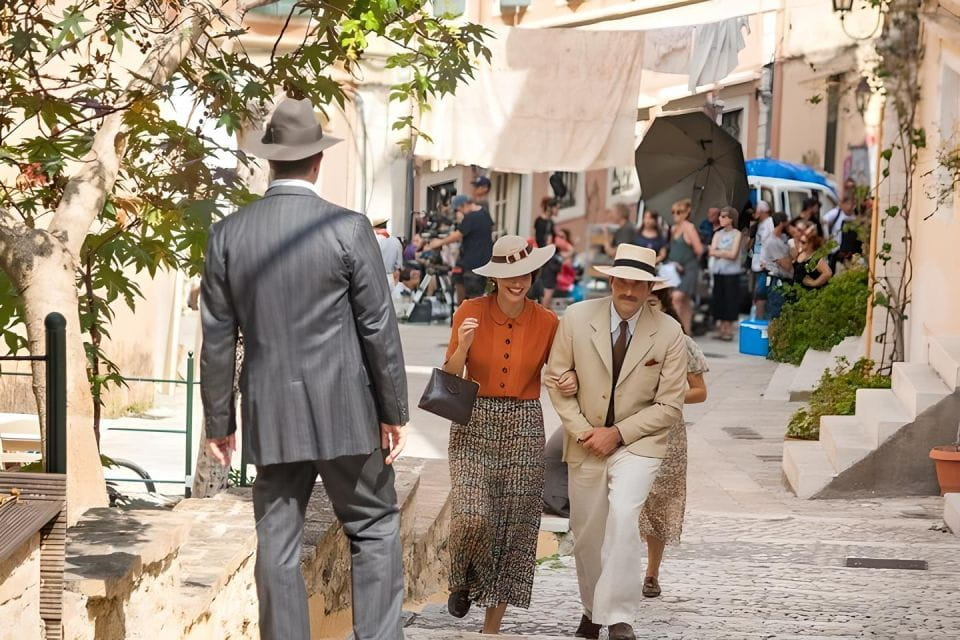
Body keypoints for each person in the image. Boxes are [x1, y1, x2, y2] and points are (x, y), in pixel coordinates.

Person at [200, 98, 408, 640]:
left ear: (272, 161)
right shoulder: (349, 227)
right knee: (374, 527)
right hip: (348, 411)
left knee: (278, 539)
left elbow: (217, 338)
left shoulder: (228, 234)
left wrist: (218, 422)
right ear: (317, 161)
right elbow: (378, 327)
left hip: (273, 412)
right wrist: (394, 412)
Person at [545, 244, 688, 640]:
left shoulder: (670, 332)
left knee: (624, 517)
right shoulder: (575, 318)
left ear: (650, 289)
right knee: (587, 533)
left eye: (638, 283)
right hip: (585, 440)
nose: (629, 289)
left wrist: (619, 433)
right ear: (610, 280)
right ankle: (592, 610)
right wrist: (582, 431)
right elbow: (555, 380)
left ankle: (621, 617)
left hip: (638, 444)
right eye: (623, 280)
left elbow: (670, 404)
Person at [443, 235, 577, 635]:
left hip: (523, 424)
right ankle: (463, 576)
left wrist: (567, 379)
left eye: (524, 274)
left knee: (514, 527)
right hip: (474, 419)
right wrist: (463, 348)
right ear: (495, 278)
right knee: (471, 515)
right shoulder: (469, 310)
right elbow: (449, 378)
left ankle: (491, 628)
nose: (517, 282)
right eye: (508, 276)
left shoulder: (548, 321)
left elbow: (558, 371)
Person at [638, 283, 708, 599]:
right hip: (627, 427)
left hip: (668, 430)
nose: (648, 309)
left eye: (653, 302)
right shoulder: (624, 339)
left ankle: (652, 573)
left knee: (660, 501)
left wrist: (668, 396)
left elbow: (700, 391)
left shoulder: (682, 341)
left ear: (664, 304)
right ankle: (619, 568)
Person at [429, 193, 494, 299]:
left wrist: (439, 242)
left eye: (459, 210)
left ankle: (462, 312)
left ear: (463, 205)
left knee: (472, 298)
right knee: (476, 294)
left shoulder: (471, 217)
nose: (460, 213)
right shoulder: (484, 213)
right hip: (484, 262)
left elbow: (458, 235)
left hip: (472, 265)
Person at [666, 198, 704, 335]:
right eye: (673, 212)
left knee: (677, 298)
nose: (676, 214)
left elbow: (699, 250)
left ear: (686, 212)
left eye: (679, 212)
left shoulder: (689, 228)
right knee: (685, 302)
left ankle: (676, 332)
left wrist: (686, 260)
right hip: (675, 269)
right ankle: (687, 331)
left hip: (689, 268)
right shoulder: (673, 228)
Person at [706, 206, 743, 341]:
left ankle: (728, 327)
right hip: (719, 270)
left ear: (731, 218)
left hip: (731, 272)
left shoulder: (737, 234)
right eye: (720, 216)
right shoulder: (718, 234)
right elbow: (711, 251)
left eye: (724, 217)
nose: (720, 219)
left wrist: (719, 252)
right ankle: (720, 327)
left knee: (730, 299)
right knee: (719, 299)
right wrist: (723, 252)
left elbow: (733, 254)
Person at [759, 212, 795, 319]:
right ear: (781, 224)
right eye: (787, 224)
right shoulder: (772, 242)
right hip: (777, 280)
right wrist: (791, 254)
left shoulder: (783, 238)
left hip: (787, 280)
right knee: (777, 312)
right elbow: (787, 265)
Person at [749, 200, 774, 319]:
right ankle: (758, 317)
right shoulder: (758, 225)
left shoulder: (770, 223)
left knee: (761, 293)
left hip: (764, 265)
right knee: (756, 294)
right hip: (756, 262)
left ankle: (760, 318)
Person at [792, 220, 833, 290]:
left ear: (811, 243)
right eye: (800, 241)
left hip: (812, 295)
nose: (800, 244)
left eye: (803, 242)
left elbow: (828, 273)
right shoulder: (800, 253)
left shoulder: (815, 257)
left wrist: (814, 283)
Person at [822, 196, 855, 271]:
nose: (849, 207)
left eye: (851, 204)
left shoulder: (854, 216)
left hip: (848, 252)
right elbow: (824, 221)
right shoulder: (836, 212)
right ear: (842, 204)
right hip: (835, 250)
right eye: (847, 204)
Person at [372, 216, 403, 285]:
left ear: (374, 228)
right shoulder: (396, 241)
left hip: (375, 277)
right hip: (390, 278)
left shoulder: (372, 240)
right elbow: (398, 265)